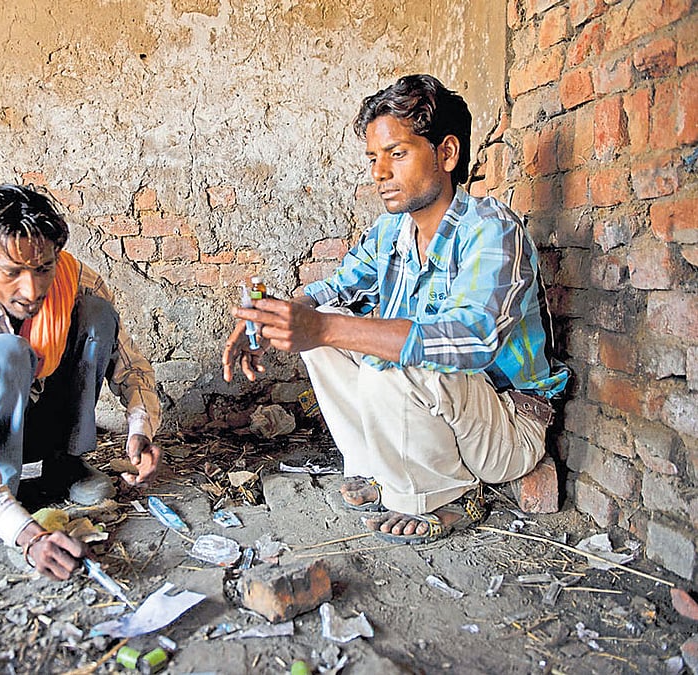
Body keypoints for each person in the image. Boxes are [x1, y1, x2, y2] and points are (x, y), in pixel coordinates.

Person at [223, 74, 569, 544]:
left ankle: (446, 496)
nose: (379, 173)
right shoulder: (390, 234)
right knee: (329, 337)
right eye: (373, 158)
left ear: (446, 153)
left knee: (386, 350)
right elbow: (332, 291)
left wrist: (322, 327)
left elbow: (473, 338)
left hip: (505, 425)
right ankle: (376, 467)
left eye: (397, 153)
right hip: (441, 411)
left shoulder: (491, 228)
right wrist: (272, 319)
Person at [0, 184, 162, 579]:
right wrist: (26, 535)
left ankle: (64, 465)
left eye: (43, 268)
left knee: (98, 314)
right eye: (11, 272)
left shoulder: (77, 280)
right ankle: (8, 492)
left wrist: (142, 432)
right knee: (6, 353)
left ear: (57, 257)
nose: (31, 290)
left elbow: (130, 367)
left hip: (48, 421)